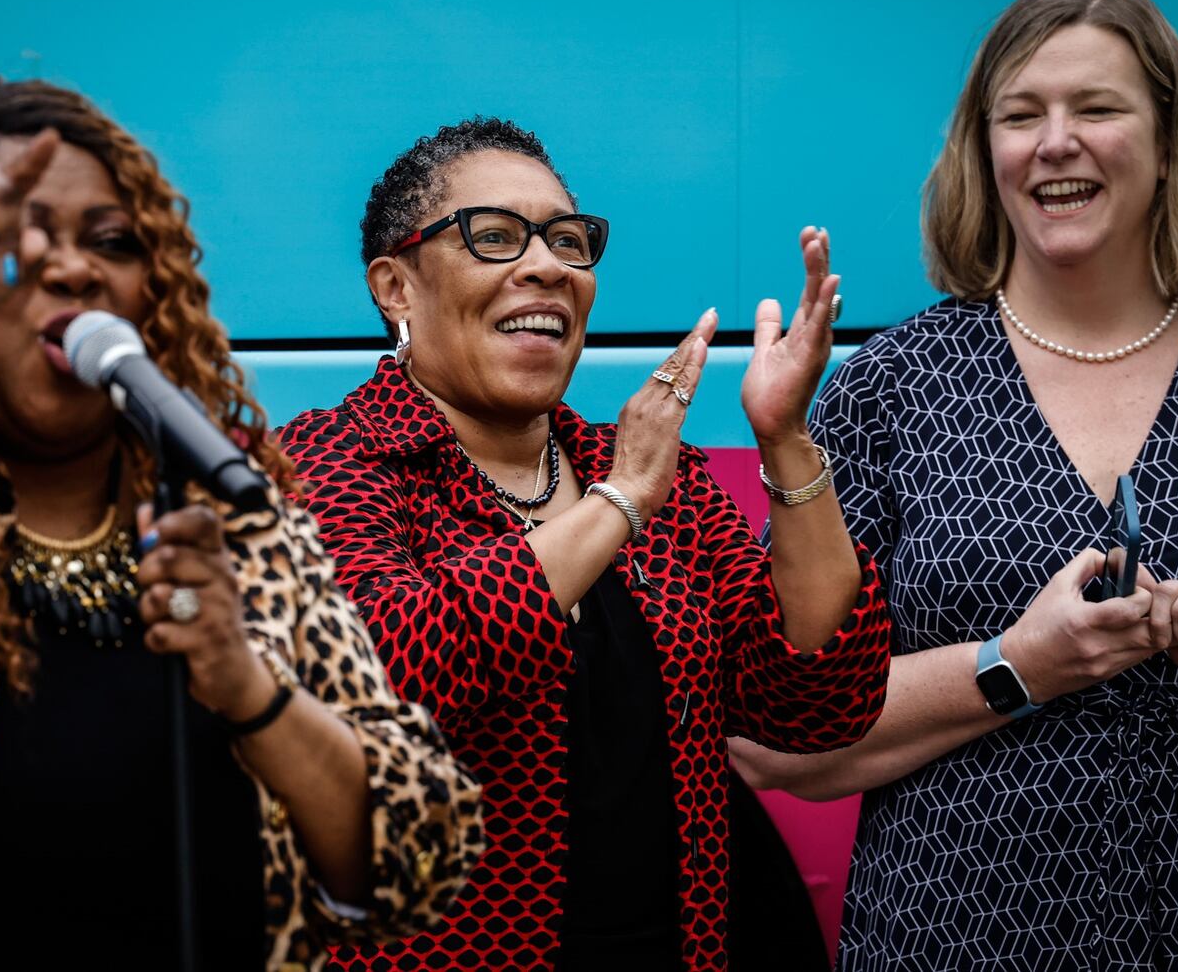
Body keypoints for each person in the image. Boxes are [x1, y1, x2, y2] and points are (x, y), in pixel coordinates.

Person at [0, 76, 482, 970]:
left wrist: (254, 692)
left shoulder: (229, 524)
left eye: (112, 243)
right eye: (14, 242)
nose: (74, 269)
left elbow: (421, 848)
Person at [730, 0, 1178, 971]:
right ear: (982, 151)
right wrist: (1013, 666)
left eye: (1096, 108)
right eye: (1019, 114)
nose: (1054, 142)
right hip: (949, 942)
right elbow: (777, 737)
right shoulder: (890, 389)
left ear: (1166, 146)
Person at [276, 117, 892, 970]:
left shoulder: (631, 463)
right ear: (396, 287)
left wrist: (786, 438)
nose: (547, 266)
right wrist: (620, 503)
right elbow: (381, 675)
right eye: (493, 237)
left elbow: (817, 697)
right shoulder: (328, 461)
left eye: (569, 240)